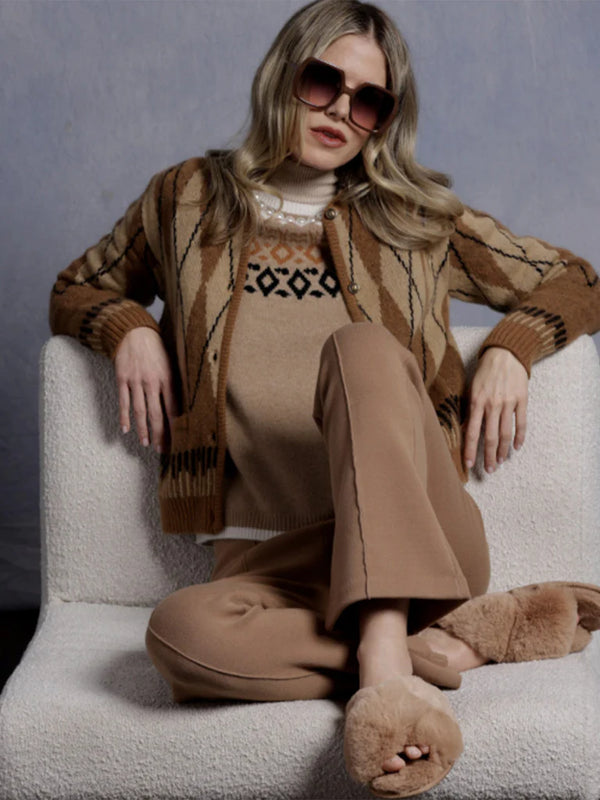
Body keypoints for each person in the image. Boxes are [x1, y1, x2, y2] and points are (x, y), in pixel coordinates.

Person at [49, 1, 600, 796]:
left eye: (369, 100)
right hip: (273, 568)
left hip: (425, 543)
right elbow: (79, 286)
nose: (342, 109)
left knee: (360, 349)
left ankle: (385, 640)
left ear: (383, 121)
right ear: (284, 76)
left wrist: (515, 347)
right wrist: (128, 326)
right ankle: (445, 645)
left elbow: (576, 278)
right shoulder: (185, 200)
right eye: (323, 81)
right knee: (178, 634)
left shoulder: (415, 219)